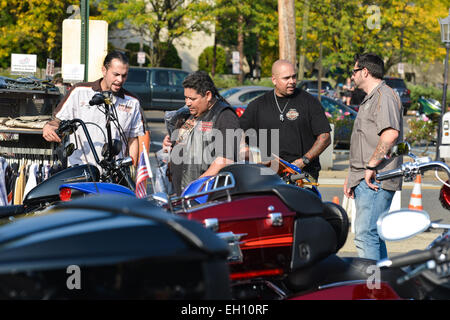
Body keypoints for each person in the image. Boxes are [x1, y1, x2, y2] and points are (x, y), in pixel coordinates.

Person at [343, 53, 403, 261]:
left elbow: (390, 135)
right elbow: (363, 142)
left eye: (354, 71)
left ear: (365, 72)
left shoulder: (384, 96)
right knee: (374, 236)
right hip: (365, 177)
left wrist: (370, 166)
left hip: (377, 178)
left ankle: (372, 290)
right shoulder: (372, 97)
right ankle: (382, 287)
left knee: (365, 235)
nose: (352, 76)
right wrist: (351, 177)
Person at [42, 51, 146, 169]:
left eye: (124, 75)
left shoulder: (132, 102)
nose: (120, 80)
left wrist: (131, 169)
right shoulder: (79, 92)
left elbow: (133, 139)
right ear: (104, 70)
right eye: (116, 74)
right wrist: (49, 126)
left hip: (115, 175)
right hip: (81, 170)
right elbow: (57, 120)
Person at [239, 59, 331, 181]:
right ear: (274, 80)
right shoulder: (258, 105)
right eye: (286, 78)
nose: (292, 82)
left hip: (303, 174)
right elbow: (239, 132)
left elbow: (325, 137)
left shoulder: (309, 102)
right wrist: (245, 150)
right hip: (269, 175)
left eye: (294, 77)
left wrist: (304, 161)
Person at [162, 71, 241, 195]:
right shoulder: (191, 114)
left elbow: (225, 160)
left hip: (205, 196)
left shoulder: (225, 116)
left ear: (208, 95)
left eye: (192, 99)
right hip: (182, 194)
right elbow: (183, 140)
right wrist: (171, 142)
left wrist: (196, 187)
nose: (187, 103)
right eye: (186, 98)